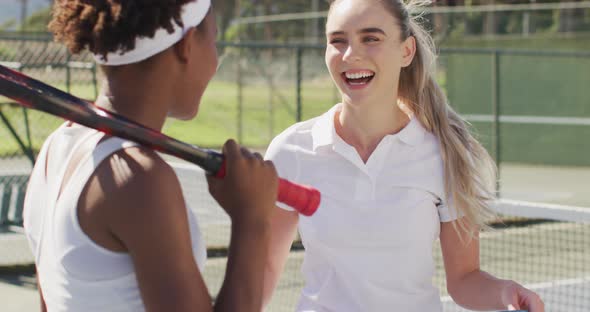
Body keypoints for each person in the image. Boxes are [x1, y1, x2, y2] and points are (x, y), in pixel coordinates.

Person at [262, 0, 544, 311]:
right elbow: (263, 271)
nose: (350, 54)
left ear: (406, 51)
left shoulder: (446, 153)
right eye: (337, 41)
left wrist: (507, 293)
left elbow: (464, 278)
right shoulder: (291, 151)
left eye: (371, 38)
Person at [23, 0, 278, 311]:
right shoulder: (139, 180)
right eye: (214, 40)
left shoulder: (59, 144)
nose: (216, 61)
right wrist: (252, 219)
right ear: (186, 45)